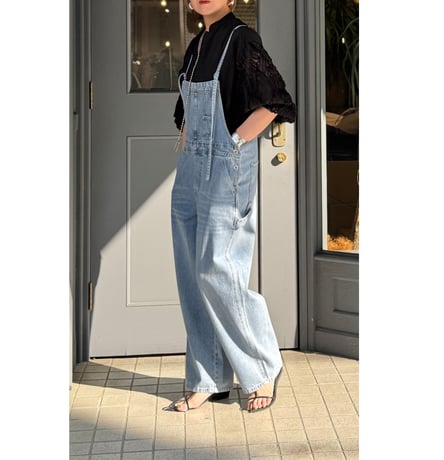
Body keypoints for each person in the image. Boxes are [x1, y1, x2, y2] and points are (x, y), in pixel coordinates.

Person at [165, 0, 296, 413]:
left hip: (225, 166)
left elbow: (274, 102)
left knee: (216, 267)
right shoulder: (197, 45)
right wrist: (187, 147)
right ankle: (209, 377)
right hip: (190, 170)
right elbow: (187, 112)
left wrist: (236, 141)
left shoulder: (242, 39)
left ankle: (261, 366)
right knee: (192, 274)